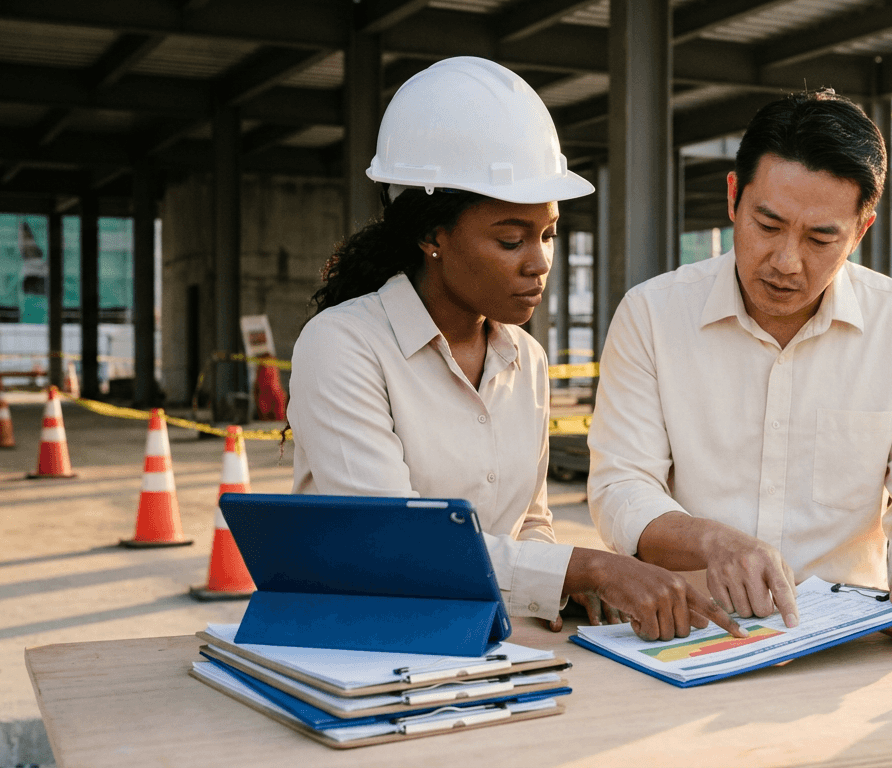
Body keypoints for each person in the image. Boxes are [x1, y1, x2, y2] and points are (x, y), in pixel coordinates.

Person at [288, 57, 739, 642]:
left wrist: (559, 587)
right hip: (358, 648)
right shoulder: (344, 346)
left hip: (482, 646)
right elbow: (397, 543)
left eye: (548, 234)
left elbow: (530, 521)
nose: (539, 262)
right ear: (431, 236)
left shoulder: (524, 359)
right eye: (510, 239)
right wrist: (591, 567)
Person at [586, 89, 892, 644]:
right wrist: (712, 543)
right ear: (733, 197)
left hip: (846, 644)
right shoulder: (652, 316)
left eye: (821, 237)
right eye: (767, 225)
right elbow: (622, 485)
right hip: (689, 636)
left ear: (861, 229)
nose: (786, 262)